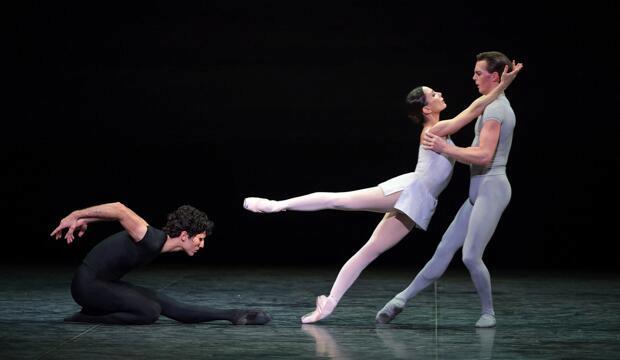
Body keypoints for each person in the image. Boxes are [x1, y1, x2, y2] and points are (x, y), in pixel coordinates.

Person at [243, 60, 522, 324]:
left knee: (369, 251)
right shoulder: (435, 128)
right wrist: (504, 85)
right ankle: (275, 205)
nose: (439, 93)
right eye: (433, 94)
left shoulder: (439, 129)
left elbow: (474, 113)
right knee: (339, 200)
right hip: (409, 190)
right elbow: (473, 110)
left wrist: (501, 88)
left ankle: (328, 304)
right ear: (426, 109)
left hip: (421, 202)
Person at [377, 51, 520, 328]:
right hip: (478, 189)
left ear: (494, 75)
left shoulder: (497, 110)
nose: (474, 77)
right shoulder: (490, 104)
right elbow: (473, 109)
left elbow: (484, 156)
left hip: (492, 186)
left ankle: (488, 312)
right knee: (444, 249)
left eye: (479, 73)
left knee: (470, 255)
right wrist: (505, 84)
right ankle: (400, 300)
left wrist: (446, 148)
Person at [51, 202, 271, 325]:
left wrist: (84, 220)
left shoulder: (154, 239)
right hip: (87, 287)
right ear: (184, 235)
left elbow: (116, 217)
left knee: (165, 303)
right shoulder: (150, 237)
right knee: (150, 311)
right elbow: (118, 209)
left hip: (103, 284)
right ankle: (86, 317)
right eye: (200, 239)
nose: (202, 245)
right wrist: (76, 214)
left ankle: (234, 315)